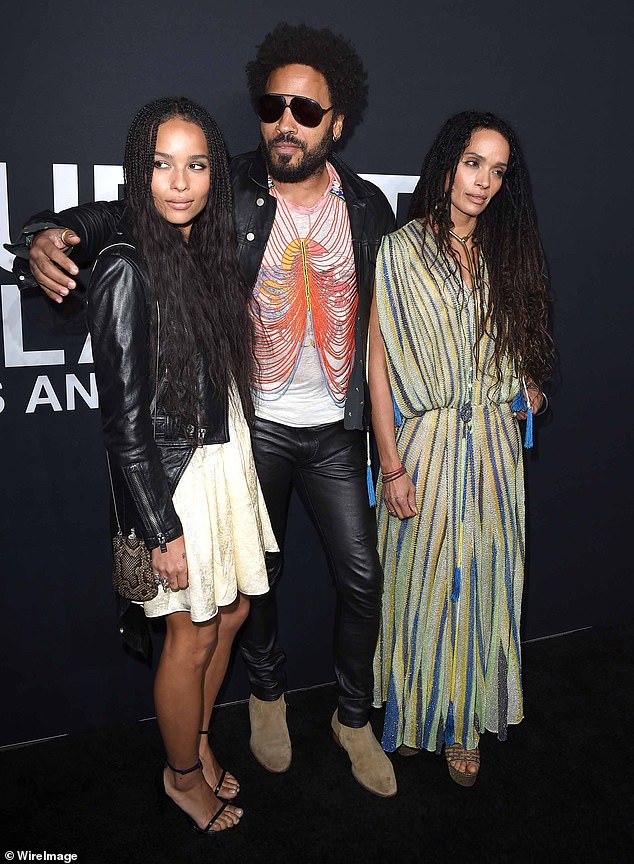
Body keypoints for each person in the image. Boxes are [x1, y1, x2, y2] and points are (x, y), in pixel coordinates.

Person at [11, 24, 397, 797]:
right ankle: (250, 714)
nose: (286, 120)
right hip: (230, 444)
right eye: (272, 104)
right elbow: (127, 215)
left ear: (338, 120)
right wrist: (48, 233)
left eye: (306, 109)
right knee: (232, 609)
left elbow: (383, 327)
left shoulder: (361, 207)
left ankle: (332, 722)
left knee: (310, 588)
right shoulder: (227, 189)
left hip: (298, 435)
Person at [86, 96, 276, 833]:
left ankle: (196, 738)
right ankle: (181, 775)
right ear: (140, 172)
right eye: (160, 164)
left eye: (195, 164)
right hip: (175, 480)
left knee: (230, 614)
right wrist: (160, 529)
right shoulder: (127, 266)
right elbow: (125, 429)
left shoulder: (207, 250)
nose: (179, 181)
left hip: (224, 458)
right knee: (191, 633)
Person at [369, 111, 553, 787]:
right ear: (448, 163)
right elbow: (379, 368)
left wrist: (528, 383)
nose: (483, 182)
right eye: (474, 163)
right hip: (423, 445)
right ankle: (419, 713)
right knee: (417, 588)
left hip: (497, 453)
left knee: (484, 585)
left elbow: (519, 341)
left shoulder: (508, 253)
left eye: (498, 171)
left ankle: (465, 726)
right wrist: (390, 464)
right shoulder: (399, 251)